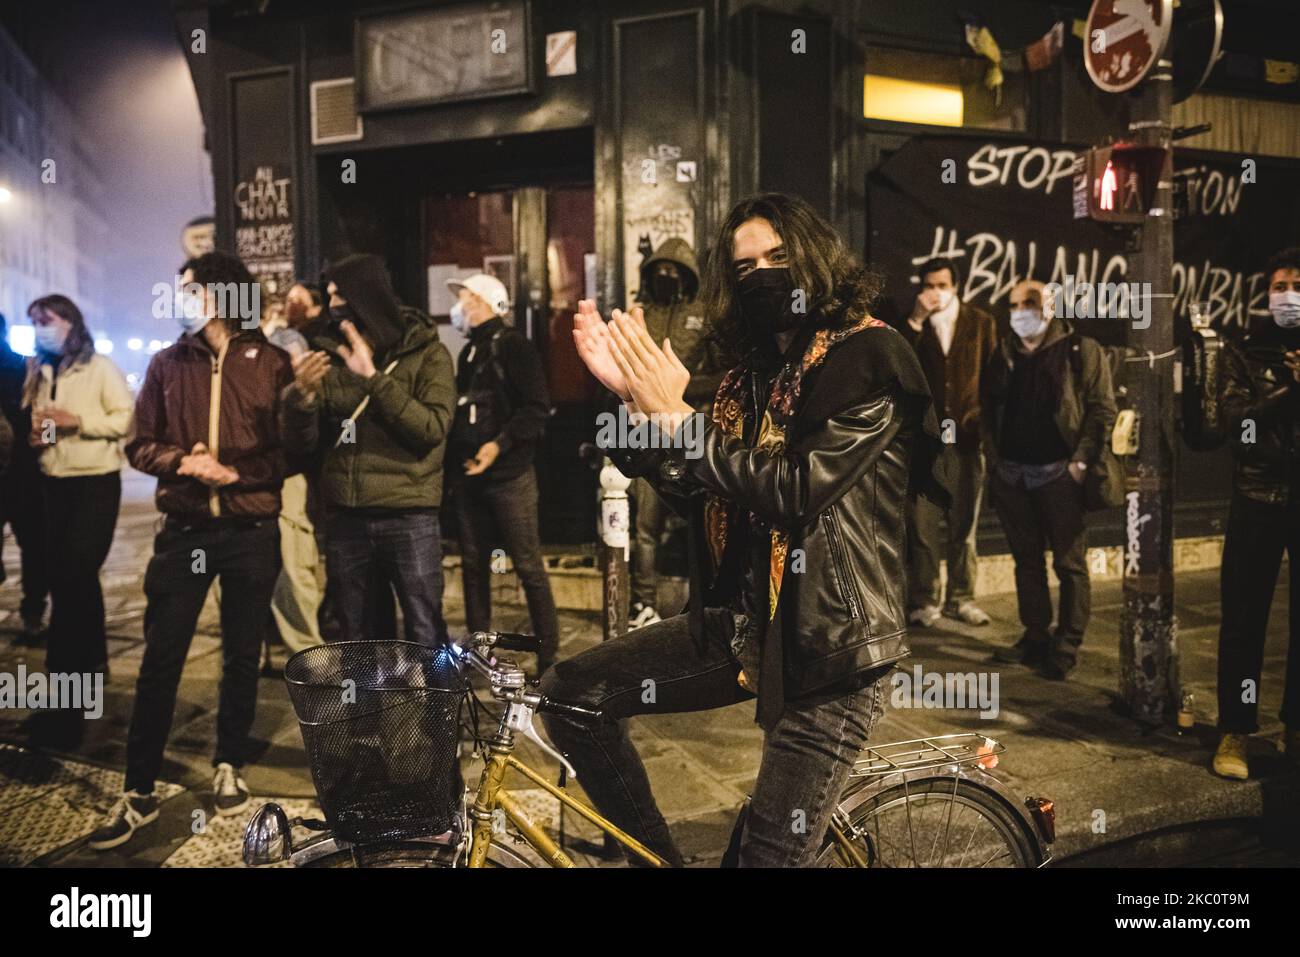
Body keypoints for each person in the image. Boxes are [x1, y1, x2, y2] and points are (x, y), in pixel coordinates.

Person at [543, 193, 946, 867]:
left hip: (829, 651)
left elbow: (796, 489)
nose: (764, 274)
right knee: (569, 696)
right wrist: (637, 408)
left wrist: (680, 420)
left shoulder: (871, 358)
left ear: (816, 257)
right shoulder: (756, 377)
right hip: (742, 624)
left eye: (780, 258)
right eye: (746, 265)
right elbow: (706, 492)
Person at [89, 252, 292, 850]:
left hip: (251, 530)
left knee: (240, 652)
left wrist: (236, 474)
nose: (180, 296)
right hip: (184, 535)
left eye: (189, 288)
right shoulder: (164, 364)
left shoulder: (271, 363)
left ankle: (229, 760)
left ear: (221, 294)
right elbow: (138, 444)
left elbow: (294, 452)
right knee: (161, 657)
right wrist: (185, 462)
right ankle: (139, 789)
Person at [282, 253, 455, 648]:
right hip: (347, 518)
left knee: (425, 630)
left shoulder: (427, 352)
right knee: (356, 636)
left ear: (366, 298)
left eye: (339, 295)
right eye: (328, 297)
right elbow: (304, 447)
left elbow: (431, 428)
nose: (333, 307)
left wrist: (374, 379)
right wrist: (302, 399)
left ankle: (436, 709)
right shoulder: (327, 353)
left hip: (409, 514)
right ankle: (365, 709)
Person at [981, 280, 1116, 679]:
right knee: (1026, 560)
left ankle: (1068, 644)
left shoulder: (1080, 351)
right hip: (1013, 474)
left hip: (1059, 474)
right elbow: (987, 406)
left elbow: (1101, 409)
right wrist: (994, 459)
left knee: (1069, 563)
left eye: (1031, 302)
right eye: (1014, 304)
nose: (1021, 310)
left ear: (1051, 306)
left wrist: (1079, 463)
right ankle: (1036, 635)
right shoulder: (1004, 352)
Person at [1212, 247, 1300, 780]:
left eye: (1296, 283)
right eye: (1278, 286)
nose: (1287, 294)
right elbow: (1236, 429)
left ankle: (1295, 727)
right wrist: (1290, 393)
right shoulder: (1246, 351)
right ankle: (1235, 730)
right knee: (1244, 620)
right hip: (1257, 496)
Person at [445, 273, 558, 672]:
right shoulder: (469, 352)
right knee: (475, 567)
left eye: (468, 299)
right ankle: (479, 651)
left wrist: (498, 446)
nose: (460, 307)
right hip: (471, 478)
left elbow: (537, 407)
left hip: (510, 479)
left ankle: (548, 657)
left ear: (490, 303)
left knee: (528, 566)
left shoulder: (514, 346)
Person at [24, 295, 132, 693]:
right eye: (34, 321)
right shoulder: (41, 369)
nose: (40, 328)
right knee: (69, 577)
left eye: (46, 319)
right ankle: (89, 659)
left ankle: (67, 663)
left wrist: (78, 421)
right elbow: (50, 426)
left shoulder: (99, 367)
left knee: (77, 570)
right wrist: (42, 436)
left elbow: (123, 418)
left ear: (69, 321)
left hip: (95, 481)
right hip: (55, 481)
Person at [628, 238, 722, 628]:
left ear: (686, 276)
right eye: (659, 270)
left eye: (673, 270)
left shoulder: (703, 315)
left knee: (702, 522)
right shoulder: (639, 314)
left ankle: (708, 603)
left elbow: (723, 377)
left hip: (689, 428)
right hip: (646, 431)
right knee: (645, 526)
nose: (665, 276)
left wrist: (678, 392)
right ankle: (643, 604)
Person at [903, 257, 997, 627]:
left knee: (964, 525)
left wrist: (987, 431)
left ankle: (962, 597)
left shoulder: (981, 322)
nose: (934, 293)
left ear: (955, 286)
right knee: (923, 526)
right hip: (925, 441)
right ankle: (924, 599)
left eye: (941, 285)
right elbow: (896, 365)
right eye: (928, 285)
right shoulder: (914, 323)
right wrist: (915, 320)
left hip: (967, 440)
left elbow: (992, 379)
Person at [261, 285, 324, 656]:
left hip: (285, 470)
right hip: (251, 472)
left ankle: (308, 652)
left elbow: (300, 402)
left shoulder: (288, 341)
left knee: (294, 565)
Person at [0, 312, 47, 640]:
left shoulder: (25, 368)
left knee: (33, 545)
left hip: (19, 472)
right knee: (34, 546)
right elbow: (46, 416)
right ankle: (32, 614)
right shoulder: (26, 368)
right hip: (26, 472)